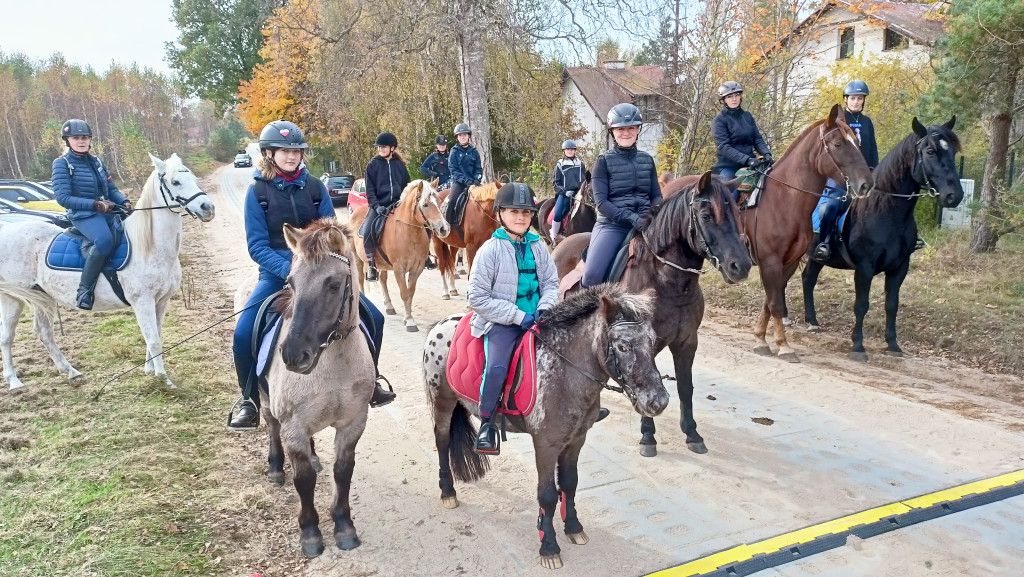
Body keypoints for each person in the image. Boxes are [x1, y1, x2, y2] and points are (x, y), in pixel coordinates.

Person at [228, 120, 395, 431]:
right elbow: (257, 246)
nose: (291, 156)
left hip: (320, 274)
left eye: (296, 151)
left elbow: (333, 233)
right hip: (276, 274)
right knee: (243, 333)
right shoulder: (257, 193)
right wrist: (292, 271)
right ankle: (249, 399)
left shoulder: (316, 187)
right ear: (269, 153)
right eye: (284, 151)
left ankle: (374, 380)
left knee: (376, 318)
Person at [467, 182, 559, 454]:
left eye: (526, 213)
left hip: (540, 316)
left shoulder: (539, 247)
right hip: (503, 320)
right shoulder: (490, 251)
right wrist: (518, 316)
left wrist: (545, 308)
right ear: (500, 214)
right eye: (513, 212)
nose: (521, 218)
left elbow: (552, 283)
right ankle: (487, 423)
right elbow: (477, 298)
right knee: (497, 366)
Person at [51, 119, 133, 310]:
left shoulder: (97, 161)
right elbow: (63, 198)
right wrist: (94, 205)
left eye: (85, 138)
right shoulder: (61, 164)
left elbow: (111, 188)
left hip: (105, 211)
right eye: (76, 138)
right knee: (104, 240)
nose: (81, 141)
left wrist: (124, 202)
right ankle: (84, 291)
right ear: (68, 141)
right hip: (82, 215)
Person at [582, 103, 662, 288]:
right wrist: (631, 218)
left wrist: (653, 213)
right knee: (592, 276)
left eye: (631, 128)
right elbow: (602, 203)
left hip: (647, 223)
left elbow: (656, 195)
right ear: (612, 131)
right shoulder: (603, 162)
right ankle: (583, 313)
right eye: (620, 129)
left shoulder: (647, 160)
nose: (626, 133)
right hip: (612, 225)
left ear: (637, 130)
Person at [813, 79, 879, 260]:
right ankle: (824, 242)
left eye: (859, 98)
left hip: (864, 174)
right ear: (846, 99)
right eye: (852, 98)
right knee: (832, 205)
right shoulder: (840, 122)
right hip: (842, 174)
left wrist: (875, 170)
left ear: (864, 101)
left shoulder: (867, 122)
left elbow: (872, 148)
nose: (856, 102)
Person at [711, 81, 774, 198]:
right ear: (723, 100)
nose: (734, 99)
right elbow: (724, 147)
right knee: (729, 197)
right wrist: (747, 160)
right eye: (729, 96)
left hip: (751, 165)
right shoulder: (719, 121)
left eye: (736, 95)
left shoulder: (747, 116)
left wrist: (766, 153)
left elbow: (757, 138)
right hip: (728, 166)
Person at [363, 131, 410, 282]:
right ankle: (371, 265)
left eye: (383, 147)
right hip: (379, 206)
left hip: (397, 205)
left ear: (392, 148)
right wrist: (376, 206)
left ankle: (425, 256)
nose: (380, 149)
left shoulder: (400, 165)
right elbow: (369, 190)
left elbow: (406, 186)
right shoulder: (373, 164)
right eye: (379, 147)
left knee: (419, 223)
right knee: (368, 230)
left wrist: (402, 202)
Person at [447, 123, 482, 227]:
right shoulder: (454, 152)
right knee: (452, 201)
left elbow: (478, 168)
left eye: (465, 135)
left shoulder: (474, 151)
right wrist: (465, 181)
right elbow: (453, 170)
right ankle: (448, 224)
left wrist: (477, 179)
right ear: (457, 137)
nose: (462, 137)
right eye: (460, 135)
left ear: (468, 136)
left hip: (473, 183)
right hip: (459, 183)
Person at [550, 139, 586, 242]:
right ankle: (554, 237)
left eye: (572, 149)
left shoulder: (581, 164)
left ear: (575, 150)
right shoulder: (560, 165)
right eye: (568, 149)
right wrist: (565, 191)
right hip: (565, 193)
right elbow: (556, 183)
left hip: (579, 193)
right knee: (557, 214)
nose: (570, 151)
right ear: (564, 151)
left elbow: (584, 181)